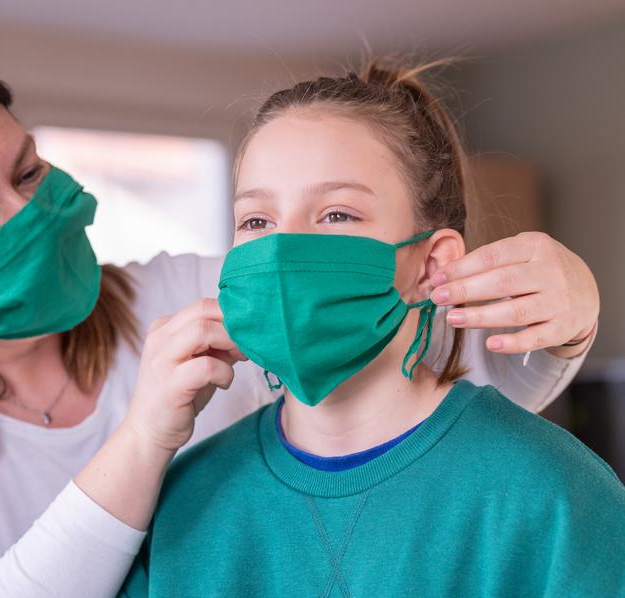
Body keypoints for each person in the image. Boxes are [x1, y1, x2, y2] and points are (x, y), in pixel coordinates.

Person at [0, 57, 600, 597]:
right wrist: (142, 441)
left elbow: (445, 379)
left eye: (28, 171)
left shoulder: (190, 294)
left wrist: (566, 316)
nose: (33, 215)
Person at [118, 60, 624, 597]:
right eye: (257, 221)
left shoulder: (554, 494)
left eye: (336, 214)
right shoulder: (183, 501)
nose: (282, 250)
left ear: (431, 266)